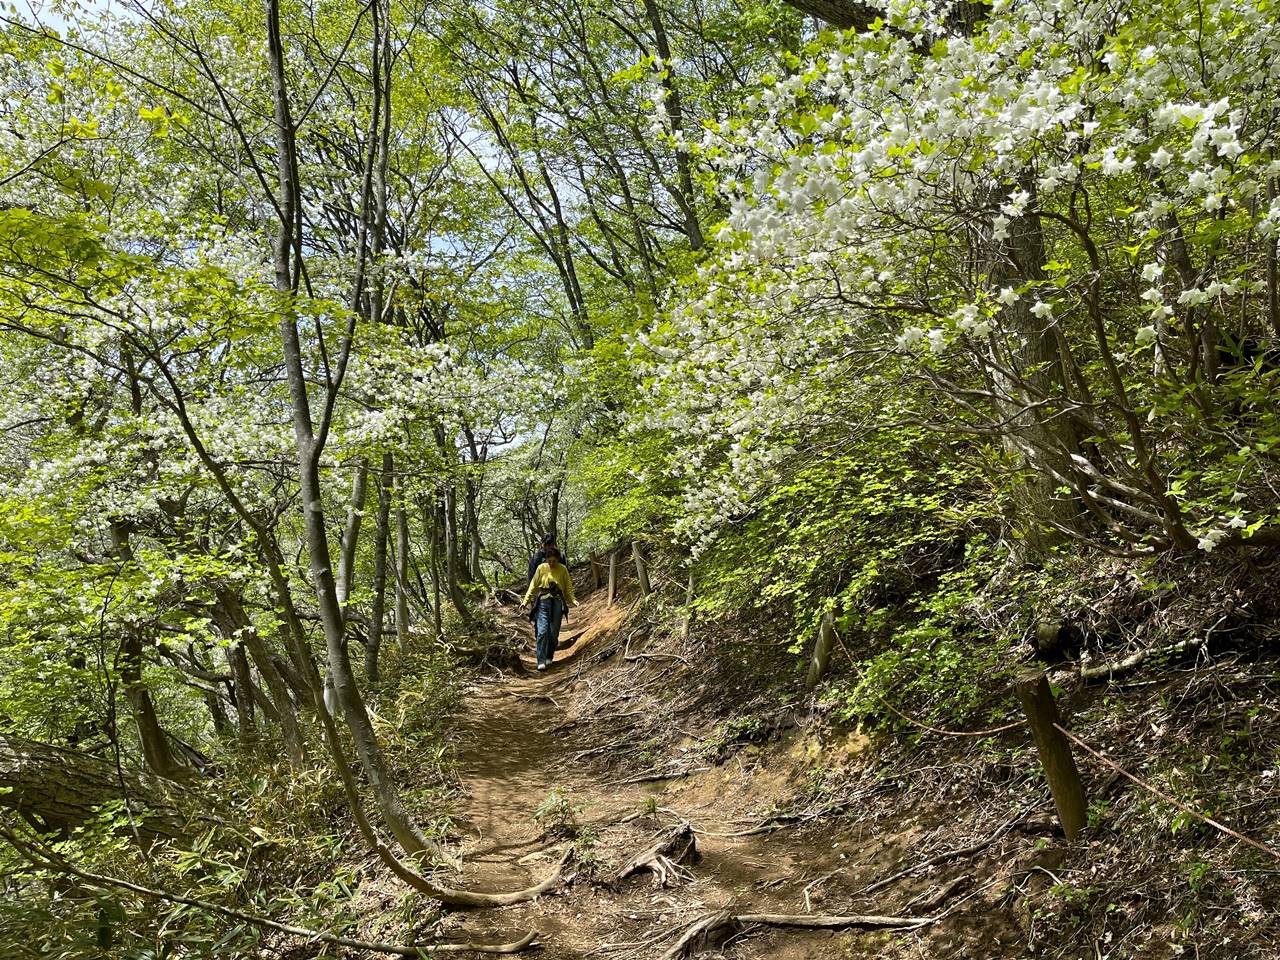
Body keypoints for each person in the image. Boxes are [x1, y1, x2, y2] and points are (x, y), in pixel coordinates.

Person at [520, 545, 577, 671]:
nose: (551, 563)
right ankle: (541, 660)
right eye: (549, 561)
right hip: (543, 602)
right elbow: (533, 586)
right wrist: (525, 601)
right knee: (542, 631)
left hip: (557, 602)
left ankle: (549, 656)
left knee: (554, 632)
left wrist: (573, 600)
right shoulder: (541, 568)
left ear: (558, 560)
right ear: (546, 559)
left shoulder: (562, 569)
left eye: (554, 561)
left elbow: (568, 586)